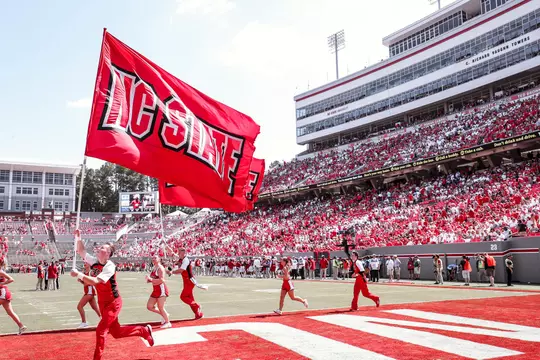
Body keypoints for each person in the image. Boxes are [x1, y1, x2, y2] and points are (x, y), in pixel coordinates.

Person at [70, 230, 154, 360]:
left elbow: (96, 281)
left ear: (108, 254)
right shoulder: (95, 261)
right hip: (102, 303)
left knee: (101, 330)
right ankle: (143, 331)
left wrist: (80, 275)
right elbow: (81, 251)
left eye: (103, 248)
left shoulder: (109, 266)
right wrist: (78, 237)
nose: (99, 248)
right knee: (116, 332)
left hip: (113, 303)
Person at [166, 247, 207, 320]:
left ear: (183, 252)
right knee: (190, 298)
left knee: (183, 297)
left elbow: (181, 270)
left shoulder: (185, 260)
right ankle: (198, 314)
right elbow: (172, 253)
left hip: (189, 280)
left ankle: (197, 305)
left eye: (179, 252)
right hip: (186, 281)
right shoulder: (181, 258)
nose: (178, 253)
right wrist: (167, 248)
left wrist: (172, 272)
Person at [0, 258, 27, 335]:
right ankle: (21, 326)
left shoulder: (0, 271)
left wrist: (1, 284)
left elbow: (11, 279)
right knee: (10, 312)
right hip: (4, 293)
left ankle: (21, 326)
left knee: (10, 312)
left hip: (2, 293)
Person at [146, 255, 171, 328]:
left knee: (160, 307)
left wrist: (151, 280)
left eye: (155, 258)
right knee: (149, 306)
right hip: (155, 289)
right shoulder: (154, 268)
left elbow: (162, 280)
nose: (153, 259)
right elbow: (152, 279)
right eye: (152, 258)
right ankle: (164, 314)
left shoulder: (160, 268)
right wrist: (148, 279)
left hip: (161, 289)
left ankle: (167, 322)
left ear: (159, 259)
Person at [77, 262, 101, 329]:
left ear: (89, 265)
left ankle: (84, 322)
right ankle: (103, 320)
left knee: (79, 306)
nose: (84, 264)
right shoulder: (85, 273)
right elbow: (85, 284)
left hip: (90, 292)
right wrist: (81, 281)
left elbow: (92, 282)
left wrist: (83, 280)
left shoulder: (91, 273)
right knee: (95, 308)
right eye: (84, 263)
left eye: (86, 263)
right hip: (88, 292)